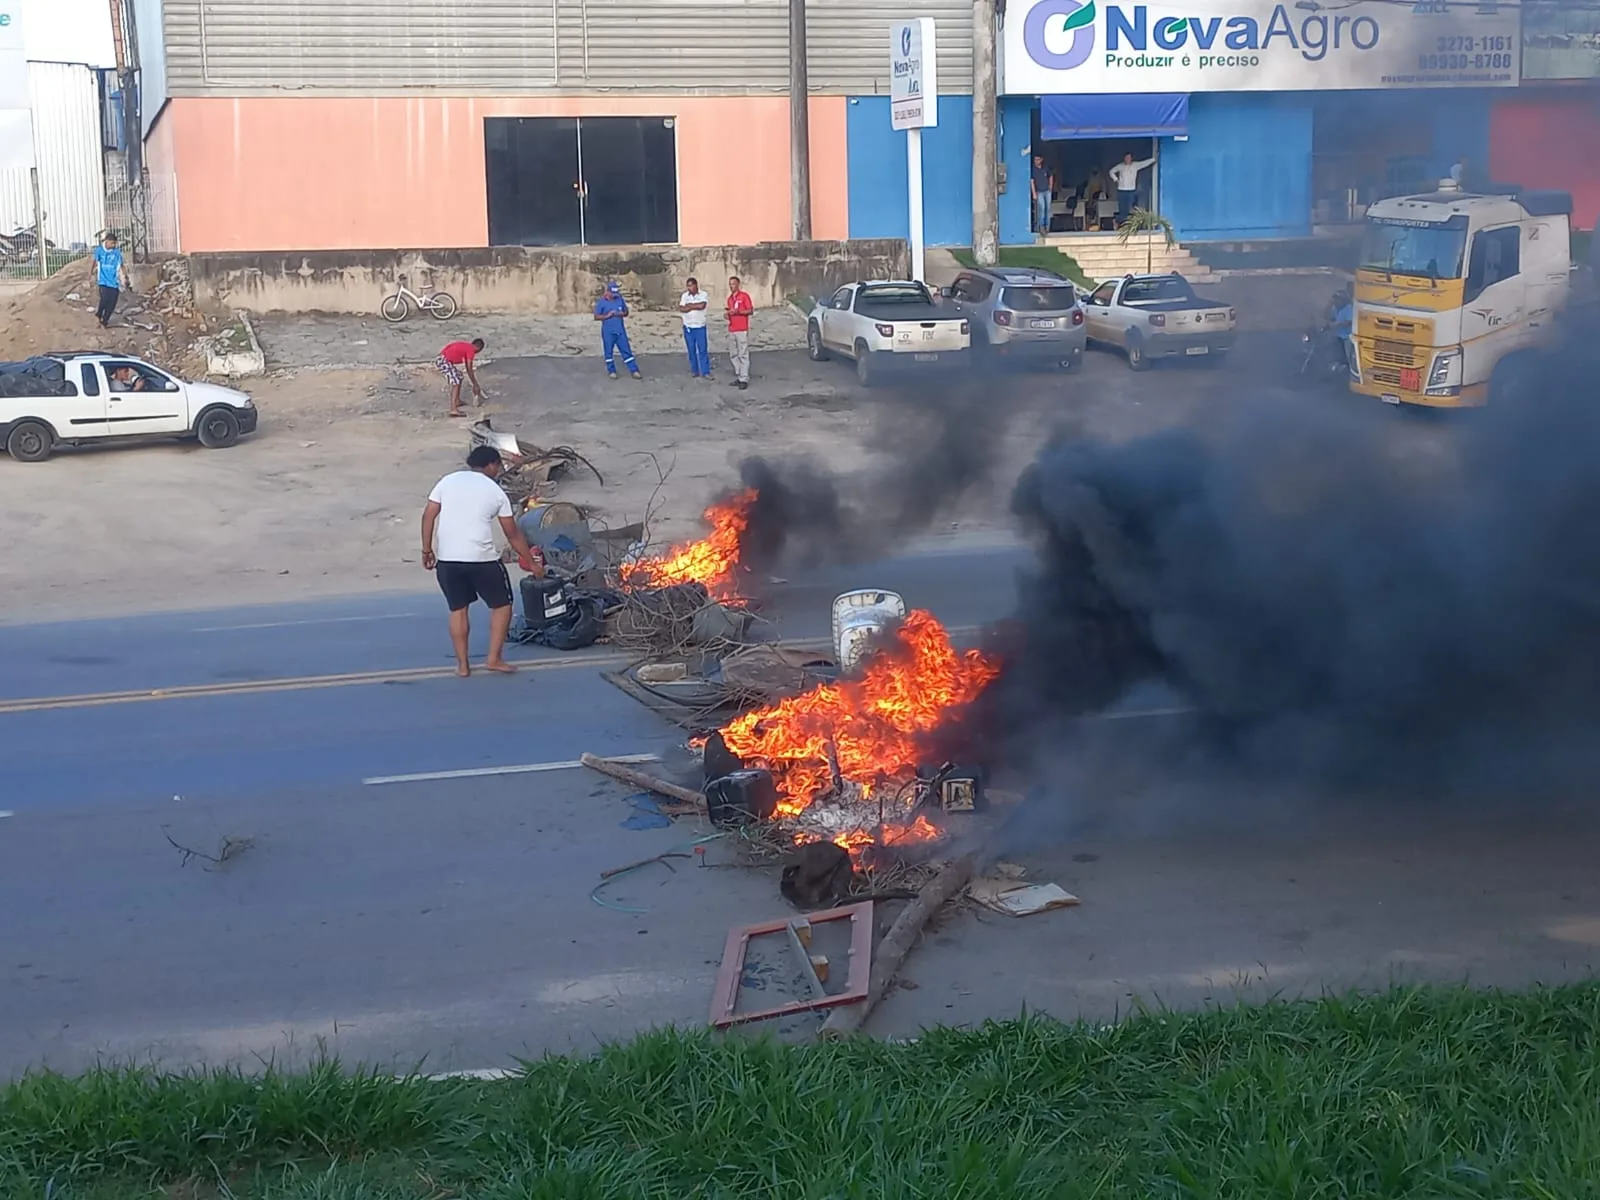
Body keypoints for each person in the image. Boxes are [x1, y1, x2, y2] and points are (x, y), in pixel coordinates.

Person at [421, 445, 544, 677]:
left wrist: (427, 550)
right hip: (482, 559)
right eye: (497, 466)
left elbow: (429, 514)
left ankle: (463, 666)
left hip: (448, 560)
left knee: (458, 609)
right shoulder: (495, 490)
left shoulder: (447, 481)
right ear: (491, 465)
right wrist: (533, 563)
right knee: (502, 605)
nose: (498, 471)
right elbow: (512, 533)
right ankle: (494, 659)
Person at [593, 282, 641, 379]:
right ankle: (611, 371)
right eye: (613, 295)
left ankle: (634, 370)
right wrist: (607, 316)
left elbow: (626, 312)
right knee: (609, 352)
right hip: (608, 332)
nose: (615, 297)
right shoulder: (601, 302)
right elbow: (596, 316)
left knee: (626, 350)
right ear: (608, 292)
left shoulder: (620, 300)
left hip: (620, 330)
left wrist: (621, 313)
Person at [436, 338, 485, 417]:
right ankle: (453, 409)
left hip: (443, 359)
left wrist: (474, 383)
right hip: (443, 361)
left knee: (459, 376)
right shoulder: (471, 350)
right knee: (456, 382)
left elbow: (467, 366)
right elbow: (469, 368)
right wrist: (475, 384)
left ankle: (457, 401)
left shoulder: (466, 347)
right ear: (479, 348)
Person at [93, 232, 130, 328]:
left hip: (114, 281)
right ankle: (99, 315)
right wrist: (91, 273)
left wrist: (125, 277)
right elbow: (95, 261)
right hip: (103, 280)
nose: (113, 245)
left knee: (112, 302)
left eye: (114, 243)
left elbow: (121, 265)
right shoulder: (99, 250)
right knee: (104, 298)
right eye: (112, 243)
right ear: (107, 241)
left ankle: (105, 321)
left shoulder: (116, 252)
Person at [1109, 151, 1156, 226]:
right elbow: (1111, 171)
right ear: (1124, 159)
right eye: (1126, 158)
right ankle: (1119, 221)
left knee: (1129, 208)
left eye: (1129, 158)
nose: (1127, 159)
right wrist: (1116, 179)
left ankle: (1119, 221)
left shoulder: (1135, 165)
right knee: (1122, 209)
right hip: (1121, 190)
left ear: (1131, 158)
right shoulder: (1120, 166)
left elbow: (1144, 163)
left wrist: (1153, 159)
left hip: (1131, 190)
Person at [679, 276, 712, 378]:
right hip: (688, 327)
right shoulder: (684, 296)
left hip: (700, 326)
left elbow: (702, 305)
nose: (689, 288)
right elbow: (682, 308)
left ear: (696, 285)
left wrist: (690, 306)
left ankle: (705, 371)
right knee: (691, 349)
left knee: (702, 350)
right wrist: (693, 306)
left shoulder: (703, 294)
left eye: (691, 285)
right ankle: (695, 370)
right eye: (688, 286)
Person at [725, 275, 754, 390]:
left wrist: (738, 312)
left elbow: (750, 310)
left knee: (743, 353)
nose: (731, 286)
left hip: (741, 329)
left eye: (733, 284)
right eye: (730, 284)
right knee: (733, 353)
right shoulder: (730, 299)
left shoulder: (744, 296)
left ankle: (744, 377)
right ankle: (739, 373)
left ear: (738, 284)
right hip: (732, 328)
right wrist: (728, 315)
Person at [1030, 154, 1054, 235]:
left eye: (1037, 159)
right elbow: (1032, 182)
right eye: (1035, 159)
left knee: (1048, 209)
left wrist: (1051, 186)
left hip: (1047, 191)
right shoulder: (1033, 170)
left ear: (1041, 160)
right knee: (1042, 209)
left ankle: (1047, 227)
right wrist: (1034, 193)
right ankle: (1041, 227)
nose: (1036, 161)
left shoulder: (1045, 168)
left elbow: (1051, 176)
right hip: (1039, 192)